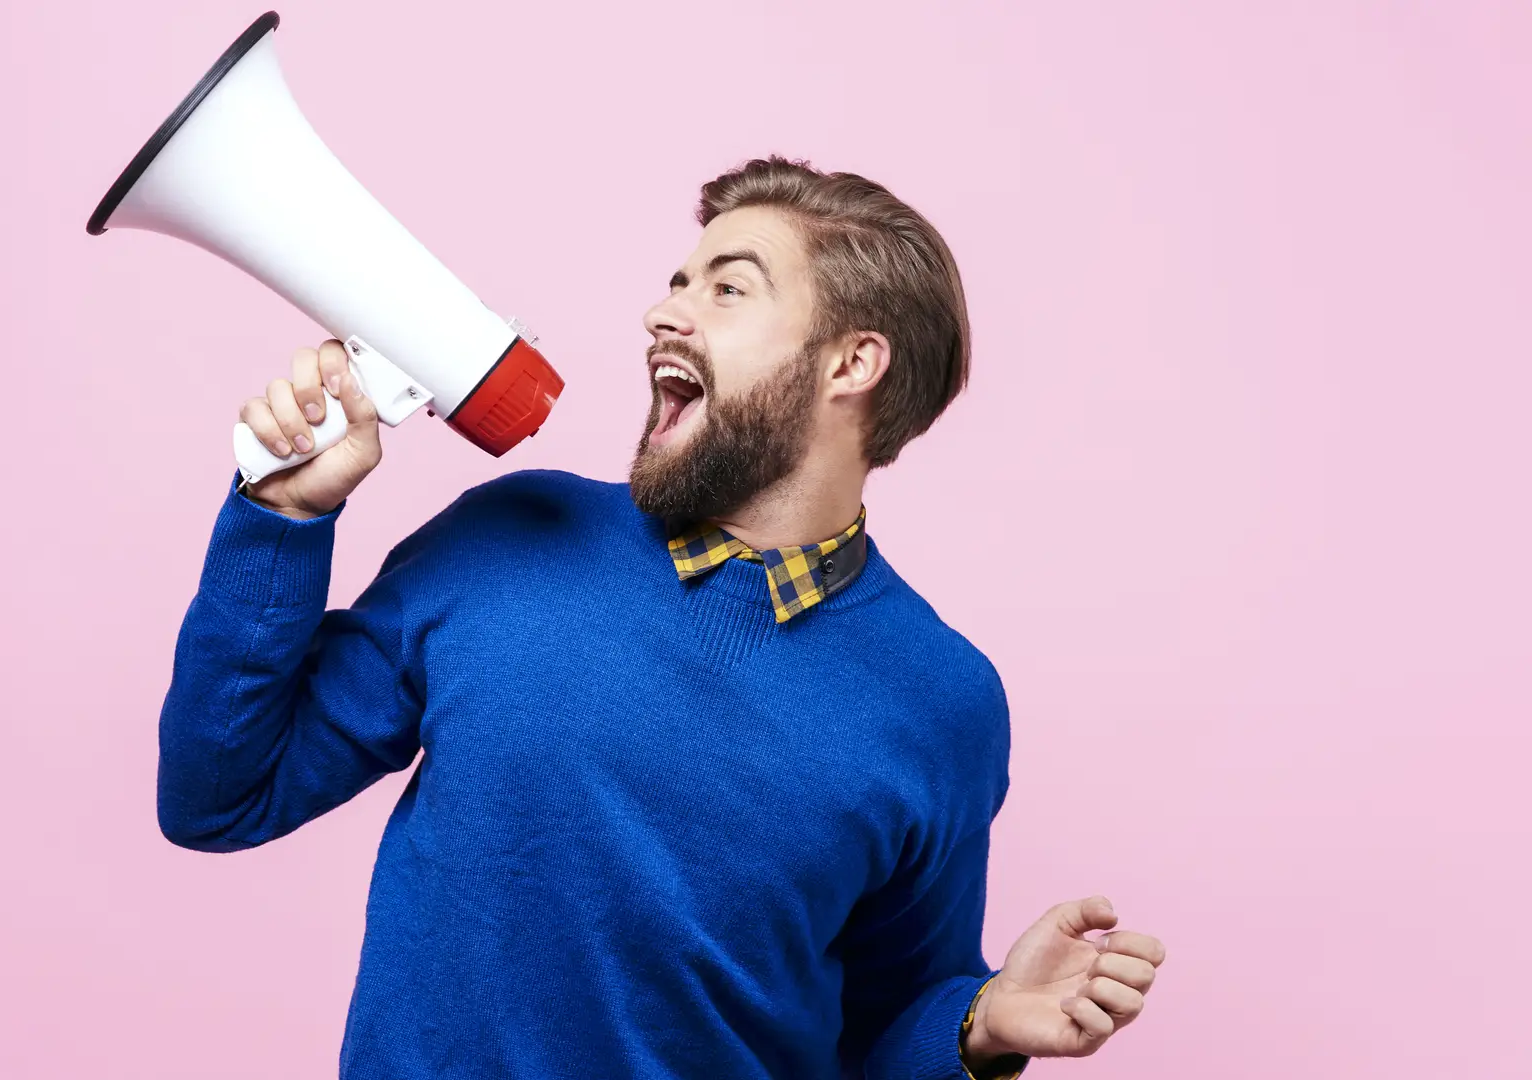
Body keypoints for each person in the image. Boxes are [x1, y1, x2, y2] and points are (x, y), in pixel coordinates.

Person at [157, 155, 1165, 1080]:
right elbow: (219, 797)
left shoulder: (944, 702)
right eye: (677, 283)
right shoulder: (509, 536)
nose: (662, 314)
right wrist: (282, 517)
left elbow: (885, 1020)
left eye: (727, 288)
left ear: (850, 364)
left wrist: (973, 1025)